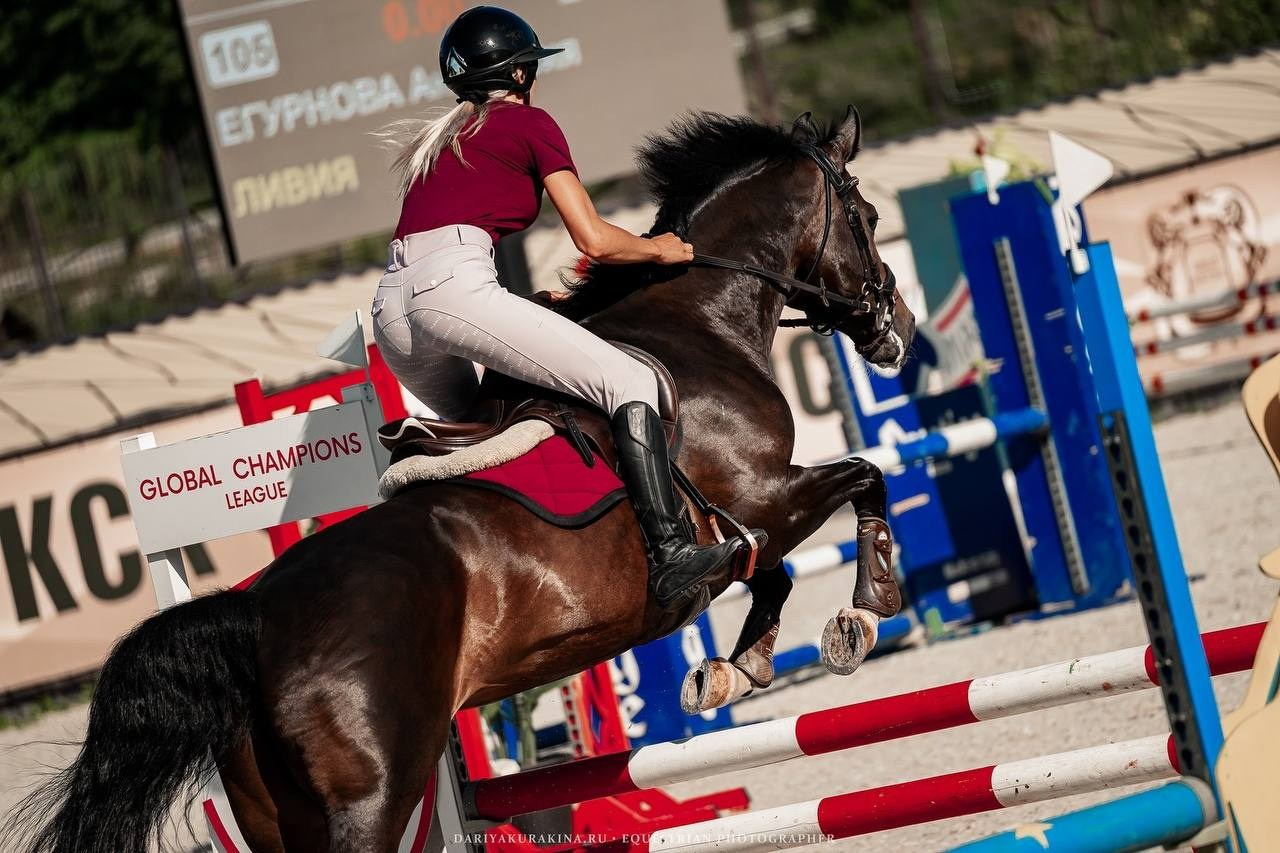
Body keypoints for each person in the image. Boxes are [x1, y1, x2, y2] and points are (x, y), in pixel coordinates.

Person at [373, 5, 764, 612]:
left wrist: (512, 308)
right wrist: (656, 249)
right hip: (451, 290)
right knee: (629, 379)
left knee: (489, 426)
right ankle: (670, 554)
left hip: (393, 311)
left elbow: (433, 267)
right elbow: (595, 241)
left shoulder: (444, 140)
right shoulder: (528, 123)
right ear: (521, 74)